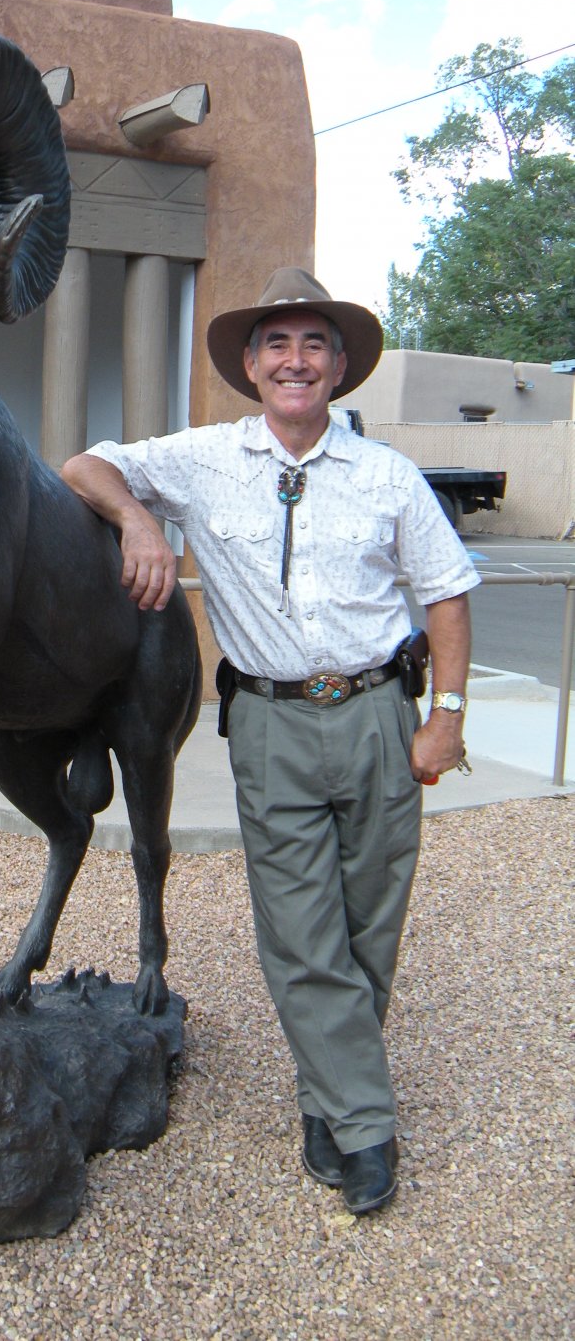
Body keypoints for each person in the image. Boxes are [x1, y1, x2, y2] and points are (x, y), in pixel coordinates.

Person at [61, 267, 479, 1216]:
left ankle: (325, 1095)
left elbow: (446, 591)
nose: (295, 362)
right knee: (300, 931)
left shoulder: (387, 476)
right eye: (278, 345)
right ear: (250, 366)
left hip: (379, 713)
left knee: (369, 924)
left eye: (313, 345)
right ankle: (366, 1126)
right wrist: (137, 521)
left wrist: (444, 714)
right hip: (269, 722)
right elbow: (81, 465)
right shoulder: (201, 459)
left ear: (338, 367)